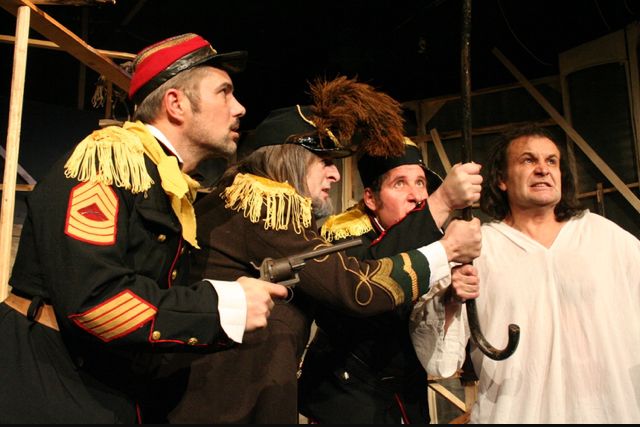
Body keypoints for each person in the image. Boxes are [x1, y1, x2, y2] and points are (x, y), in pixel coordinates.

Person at [0, 33, 288, 424]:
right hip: (52, 382)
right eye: (224, 92)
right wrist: (222, 306)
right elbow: (96, 302)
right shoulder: (108, 162)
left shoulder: (163, 178)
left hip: (108, 380)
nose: (239, 108)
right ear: (176, 103)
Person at [167, 76, 482, 423]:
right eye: (325, 161)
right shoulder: (265, 204)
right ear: (292, 159)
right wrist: (446, 243)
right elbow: (355, 288)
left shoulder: (249, 204)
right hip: (224, 405)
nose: (335, 174)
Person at [410, 122, 640, 423]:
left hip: (610, 412)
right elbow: (439, 360)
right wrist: (451, 299)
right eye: (528, 160)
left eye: (552, 161)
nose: (543, 169)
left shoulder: (604, 237)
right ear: (502, 179)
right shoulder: (477, 248)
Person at [297, 137, 482, 424]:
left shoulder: (428, 240)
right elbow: (373, 281)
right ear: (371, 199)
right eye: (400, 184)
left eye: (420, 183)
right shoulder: (343, 240)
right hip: (346, 404)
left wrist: (450, 298)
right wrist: (443, 201)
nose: (416, 196)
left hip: (407, 403)